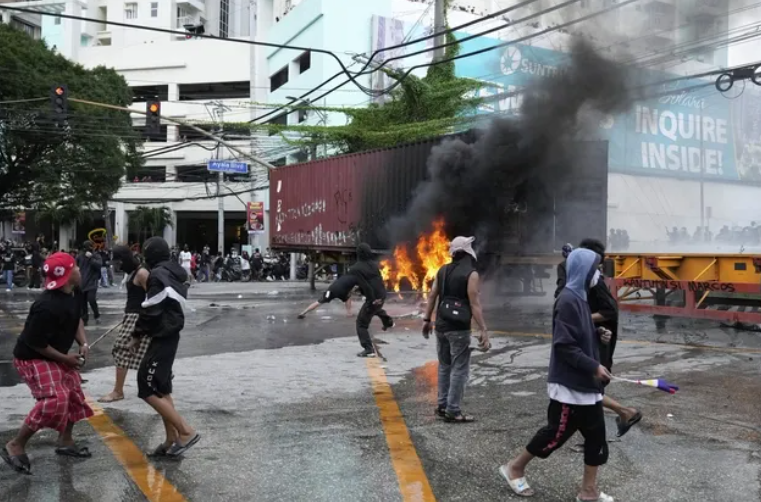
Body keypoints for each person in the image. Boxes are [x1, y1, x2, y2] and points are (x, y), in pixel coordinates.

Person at [500, 248, 612, 501]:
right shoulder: (568, 300)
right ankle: (514, 467)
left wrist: (598, 335)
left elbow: (578, 333)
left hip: (586, 384)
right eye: (596, 269)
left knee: (596, 437)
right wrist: (594, 366)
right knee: (555, 434)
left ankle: (589, 491)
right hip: (569, 385)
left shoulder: (581, 298)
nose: (599, 274)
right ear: (584, 271)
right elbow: (564, 345)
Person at [2, 252, 93, 475]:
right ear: (68, 275)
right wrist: (66, 359)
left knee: (74, 394)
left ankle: (65, 441)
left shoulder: (75, 292)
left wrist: (83, 343)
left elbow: (77, 319)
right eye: (76, 267)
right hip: (32, 357)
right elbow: (36, 343)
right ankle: (16, 444)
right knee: (55, 398)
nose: (79, 269)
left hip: (55, 355)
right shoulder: (46, 306)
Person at [133, 237, 200, 457]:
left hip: (163, 335)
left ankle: (185, 432)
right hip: (169, 334)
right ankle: (172, 439)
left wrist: (137, 334)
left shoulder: (157, 275)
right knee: (161, 387)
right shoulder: (172, 272)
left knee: (146, 385)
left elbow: (152, 309)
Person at [577, 238, 642, 439]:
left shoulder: (596, 283)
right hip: (593, 339)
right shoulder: (587, 280)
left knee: (586, 390)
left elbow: (610, 311)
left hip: (599, 341)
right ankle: (621, 416)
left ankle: (624, 414)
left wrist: (579, 318)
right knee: (584, 391)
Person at [422, 236, 490, 423]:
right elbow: (474, 304)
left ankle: (442, 405)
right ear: (467, 252)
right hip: (459, 328)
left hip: (441, 325)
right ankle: (453, 410)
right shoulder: (471, 274)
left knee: (445, 366)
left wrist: (427, 320)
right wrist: (483, 329)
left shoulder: (442, 270)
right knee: (459, 369)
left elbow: (432, 296)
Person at [98, 246, 151, 404]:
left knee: (121, 349)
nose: (118, 266)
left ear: (125, 260)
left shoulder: (142, 273)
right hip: (131, 316)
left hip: (139, 317)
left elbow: (152, 298)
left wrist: (141, 321)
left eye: (118, 263)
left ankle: (118, 391)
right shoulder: (133, 273)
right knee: (145, 353)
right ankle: (162, 378)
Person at [349, 243, 389, 358]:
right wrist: (381, 297)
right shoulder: (374, 265)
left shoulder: (356, 268)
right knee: (374, 310)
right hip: (381, 295)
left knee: (361, 324)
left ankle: (368, 349)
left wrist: (372, 299)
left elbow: (366, 286)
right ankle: (388, 321)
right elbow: (378, 282)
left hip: (373, 298)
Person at [76, 241, 102, 326]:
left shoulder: (95, 255)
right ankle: (84, 319)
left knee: (91, 299)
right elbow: (76, 266)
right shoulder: (80, 256)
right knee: (82, 302)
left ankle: (96, 315)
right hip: (82, 282)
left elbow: (99, 265)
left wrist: (91, 258)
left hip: (92, 282)